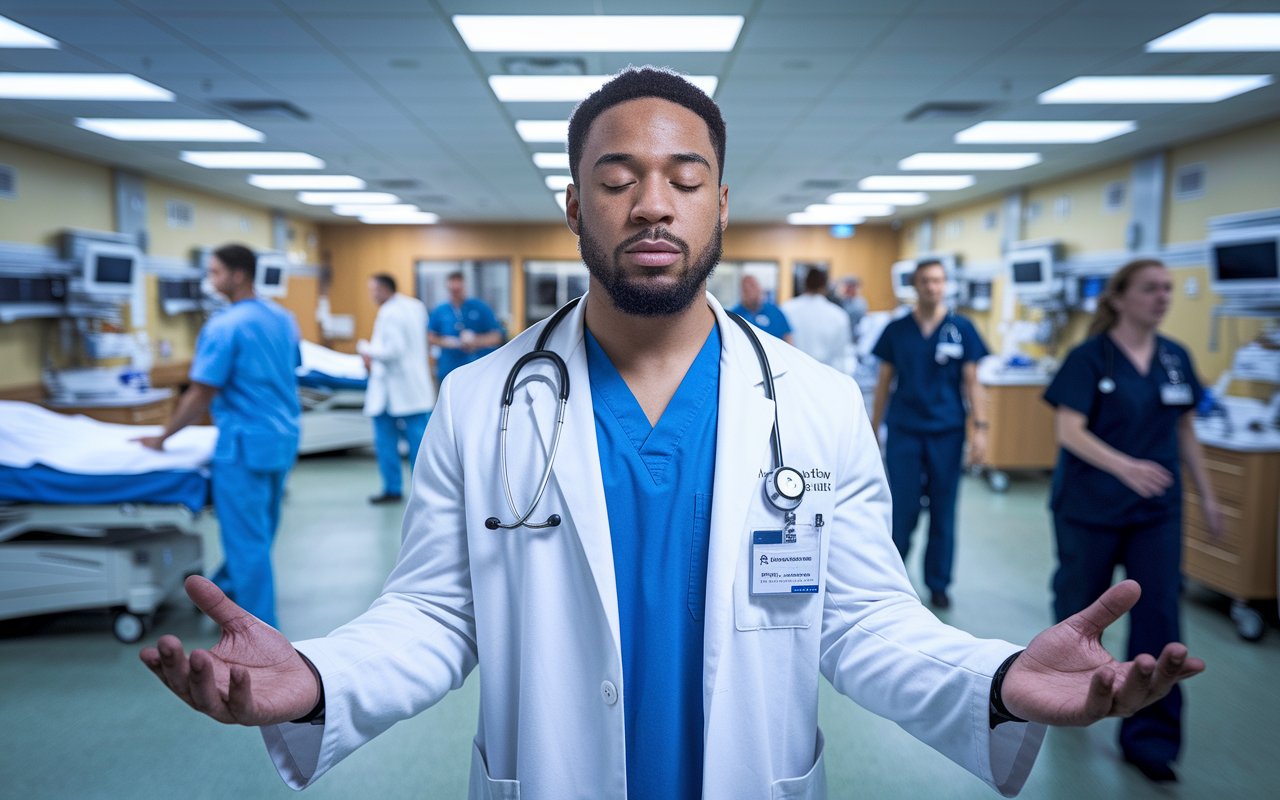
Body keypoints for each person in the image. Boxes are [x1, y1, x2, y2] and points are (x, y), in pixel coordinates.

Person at [141, 68, 1204, 800]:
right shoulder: (480, 399)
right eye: (617, 178)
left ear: (719, 206)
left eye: (683, 179)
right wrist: (321, 676)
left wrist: (998, 675)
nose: (652, 203)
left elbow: (862, 618)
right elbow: (436, 612)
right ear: (574, 206)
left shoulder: (817, 402)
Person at [1043, 258, 1222, 784]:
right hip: (1089, 508)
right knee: (1081, 610)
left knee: (1159, 618)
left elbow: (1186, 432)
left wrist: (1208, 497)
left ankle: (1151, 739)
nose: (1162, 297)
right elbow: (1069, 431)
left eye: (1167, 289)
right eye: (1150, 288)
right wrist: (1125, 467)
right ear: (1120, 298)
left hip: (1156, 513)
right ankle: (1070, 693)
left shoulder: (1175, 359)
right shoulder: (1088, 358)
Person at [135, 243, 300, 629]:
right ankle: (222, 591)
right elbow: (289, 369)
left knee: (247, 542)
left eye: (214, 273)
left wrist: (162, 438)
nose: (210, 281)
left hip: (243, 446)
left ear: (237, 275)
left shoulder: (225, 325)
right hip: (282, 438)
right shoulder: (282, 318)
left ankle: (260, 631)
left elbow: (201, 392)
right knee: (261, 532)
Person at [870, 260, 988, 609]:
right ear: (915, 285)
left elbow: (972, 382)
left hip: (947, 432)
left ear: (945, 284)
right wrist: (874, 428)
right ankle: (892, 580)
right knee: (902, 508)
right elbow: (884, 383)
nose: (931, 287)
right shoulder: (897, 330)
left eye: (937, 281)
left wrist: (979, 430)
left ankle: (938, 584)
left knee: (943, 509)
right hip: (906, 430)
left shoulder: (962, 328)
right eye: (925, 281)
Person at [358, 273, 434, 505]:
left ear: (382, 289)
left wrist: (367, 351)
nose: (371, 295)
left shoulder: (389, 312)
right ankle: (426, 491)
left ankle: (392, 489)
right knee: (420, 443)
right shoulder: (415, 306)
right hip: (415, 387)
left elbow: (393, 350)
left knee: (387, 441)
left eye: (373, 290)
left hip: (393, 389)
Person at [427, 272, 503, 384]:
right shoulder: (440, 310)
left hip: (477, 370)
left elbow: (497, 337)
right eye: (453, 290)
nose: (456, 293)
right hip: (449, 369)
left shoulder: (479, 307)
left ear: (464, 287)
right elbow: (430, 337)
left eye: (458, 290)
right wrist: (451, 342)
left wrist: (475, 340)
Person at [781, 268, 850, 369]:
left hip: (792, 371)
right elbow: (841, 356)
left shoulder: (786, 309)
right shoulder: (838, 315)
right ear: (826, 287)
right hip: (825, 374)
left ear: (805, 284)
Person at [728, 274, 792, 343]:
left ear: (760, 289)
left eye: (752, 286)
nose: (750, 292)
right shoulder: (734, 315)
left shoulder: (775, 312)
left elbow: (788, 337)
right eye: (746, 289)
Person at [836, 276, 868, 342]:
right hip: (841, 334)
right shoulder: (838, 301)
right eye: (848, 287)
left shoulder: (861, 302)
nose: (850, 289)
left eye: (853, 287)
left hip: (856, 335)